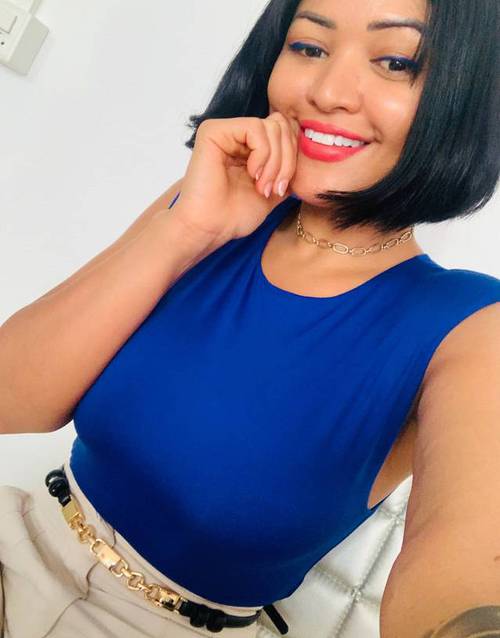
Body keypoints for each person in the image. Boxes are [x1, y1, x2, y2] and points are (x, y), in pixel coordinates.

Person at [1, 0, 499, 636]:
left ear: (466, 92)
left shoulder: (470, 326)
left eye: (396, 62)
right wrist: (185, 230)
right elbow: (10, 398)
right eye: (309, 47)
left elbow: (466, 573)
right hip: (19, 539)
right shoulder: (211, 207)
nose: (326, 91)